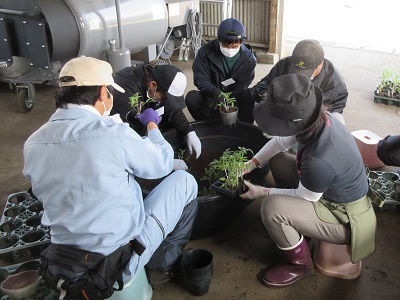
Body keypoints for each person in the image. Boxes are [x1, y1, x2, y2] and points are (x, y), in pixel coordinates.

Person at [23, 56, 199, 295]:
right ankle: (162, 265)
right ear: (103, 92)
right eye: (110, 93)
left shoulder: (33, 143)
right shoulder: (114, 134)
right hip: (114, 261)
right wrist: (152, 127)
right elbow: (162, 163)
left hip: (63, 258)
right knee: (185, 182)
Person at [241, 74, 376, 288]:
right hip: (327, 190)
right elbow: (279, 143)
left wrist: (260, 192)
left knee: (271, 209)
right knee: (277, 159)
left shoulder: (319, 160)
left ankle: (300, 265)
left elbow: (304, 196)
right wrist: (252, 163)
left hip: (346, 219)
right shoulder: (318, 119)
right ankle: (296, 226)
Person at [111, 60, 202, 160]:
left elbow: (171, 109)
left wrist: (189, 131)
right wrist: (164, 162)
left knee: (175, 127)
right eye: (165, 97)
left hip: (143, 122)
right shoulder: (125, 94)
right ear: (153, 85)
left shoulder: (155, 76)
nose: (165, 100)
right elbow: (132, 140)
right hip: (121, 137)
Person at [250, 39, 348, 124]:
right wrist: (268, 97)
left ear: (320, 64)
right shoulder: (284, 64)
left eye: (306, 73)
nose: (300, 77)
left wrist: (304, 118)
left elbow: (334, 108)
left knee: (337, 120)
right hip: (283, 111)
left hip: (310, 118)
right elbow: (264, 86)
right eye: (296, 70)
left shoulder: (335, 84)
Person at [185, 18, 257, 124]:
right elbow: (200, 77)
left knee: (250, 95)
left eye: (234, 46)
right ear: (219, 40)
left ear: (241, 42)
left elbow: (242, 85)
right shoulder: (205, 52)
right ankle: (212, 125)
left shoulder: (249, 59)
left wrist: (230, 107)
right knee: (192, 98)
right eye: (225, 45)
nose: (229, 49)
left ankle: (242, 126)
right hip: (213, 97)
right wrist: (213, 91)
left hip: (235, 97)